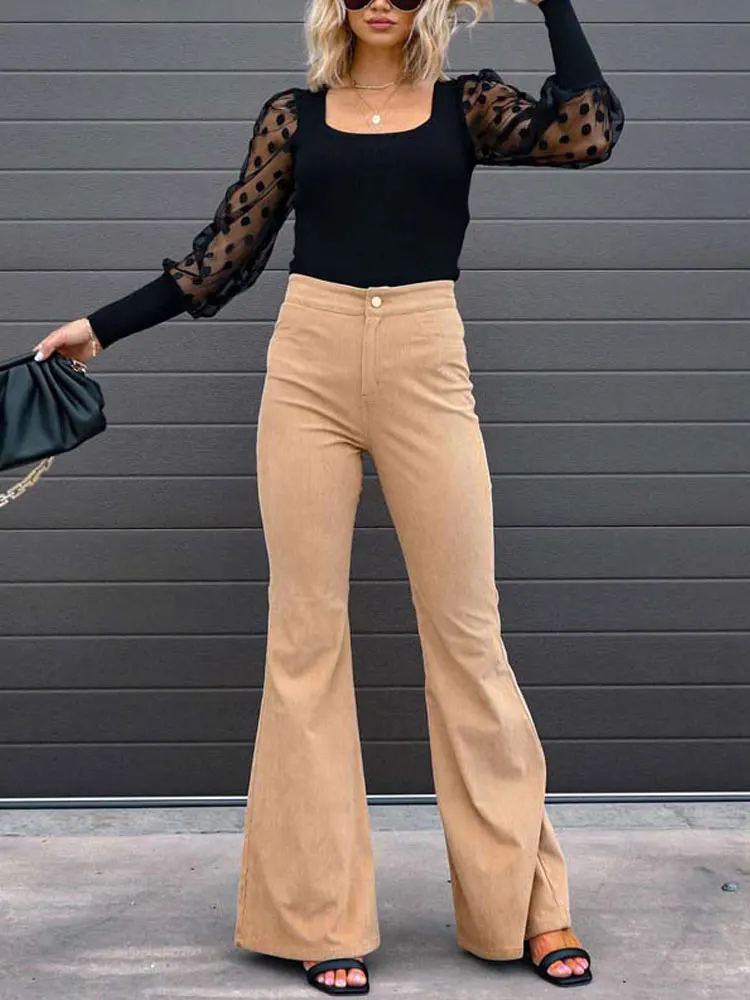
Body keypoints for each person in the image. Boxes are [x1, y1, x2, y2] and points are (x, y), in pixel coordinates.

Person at [32, 0, 624, 993]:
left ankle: (528, 907)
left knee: (469, 637)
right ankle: (319, 915)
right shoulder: (294, 116)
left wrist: (550, 2)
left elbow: (585, 130)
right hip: (307, 365)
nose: (380, 0)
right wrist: (102, 327)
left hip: (426, 359)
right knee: (304, 638)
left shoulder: (463, 104)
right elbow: (224, 256)